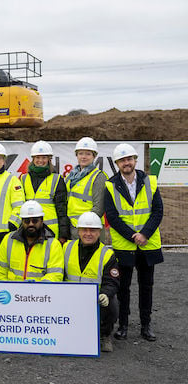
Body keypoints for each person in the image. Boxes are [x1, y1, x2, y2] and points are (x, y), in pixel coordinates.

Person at [105, 143, 163, 342]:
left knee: (147, 286)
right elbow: (112, 216)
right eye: (122, 160)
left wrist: (144, 234)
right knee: (123, 288)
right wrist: (133, 235)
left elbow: (158, 211)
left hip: (147, 244)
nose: (126, 163)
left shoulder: (150, 181)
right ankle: (123, 325)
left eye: (129, 159)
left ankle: (146, 325)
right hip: (125, 245)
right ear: (117, 163)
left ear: (135, 160)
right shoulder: (110, 185)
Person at [63, 212, 119, 352]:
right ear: (78, 231)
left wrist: (105, 294)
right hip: (69, 299)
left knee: (111, 303)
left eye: (92, 230)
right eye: (84, 230)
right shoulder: (66, 248)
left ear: (99, 232)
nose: (88, 234)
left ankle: (104, 335)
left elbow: (112, 281)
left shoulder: (107, 255)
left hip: (93, 300)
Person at [0, 200, 64, 282]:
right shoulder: (8, 240)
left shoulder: (53, 245)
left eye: (35, 221)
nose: (31, 224)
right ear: (22, 221)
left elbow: (55, 274)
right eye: (27, 221)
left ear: (42, 221)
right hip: (13, 292)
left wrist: (39, 286)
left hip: (40, 293)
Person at [21, 140, 70, 243]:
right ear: (33, 159)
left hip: (51, 232)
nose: (40, 160)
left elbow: (62, 210)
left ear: (49, 159)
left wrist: (63, 235)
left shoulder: (57, 179)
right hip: (30, 231)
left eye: (44, 157)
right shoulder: (24, 179)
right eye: (37, 157)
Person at [65, 137, 107, 240]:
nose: (84, 157)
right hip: (72, 227)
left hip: (90, 229)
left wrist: (85, 228)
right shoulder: (70, 177)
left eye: (88, 154)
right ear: (77, 155)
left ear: (94, 156)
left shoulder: (99, 177)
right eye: (81, 153)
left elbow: (99, 208)